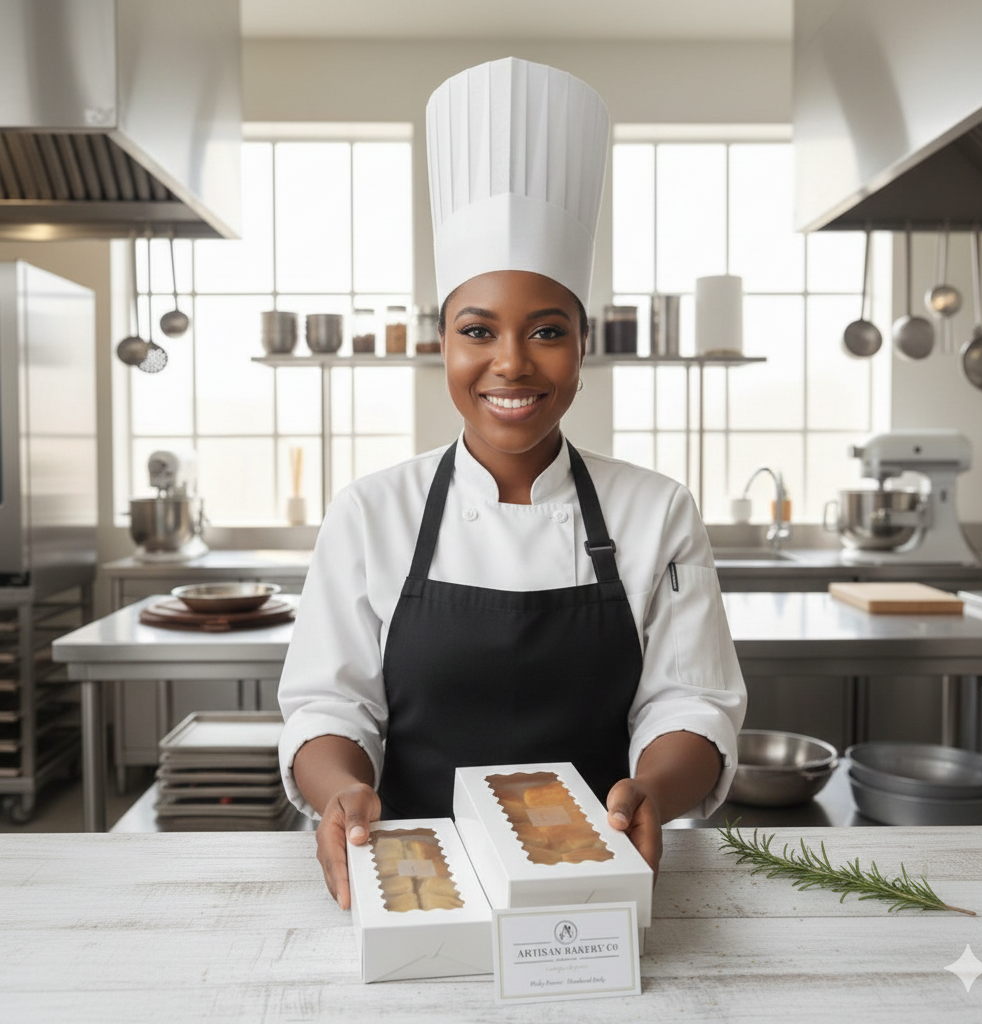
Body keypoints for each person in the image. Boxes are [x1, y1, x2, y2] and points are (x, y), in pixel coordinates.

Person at [277, 57, 747, 909]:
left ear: (582, 344)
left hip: (601, 885)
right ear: (443, 344)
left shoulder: (657, 511)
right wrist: (340, 790)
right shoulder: (372, 512)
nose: (511, 363)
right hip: (415, 885)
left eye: (546, 330)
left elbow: (692, 701)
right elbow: (329, 708)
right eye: (477, 329)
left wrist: (655, 795)